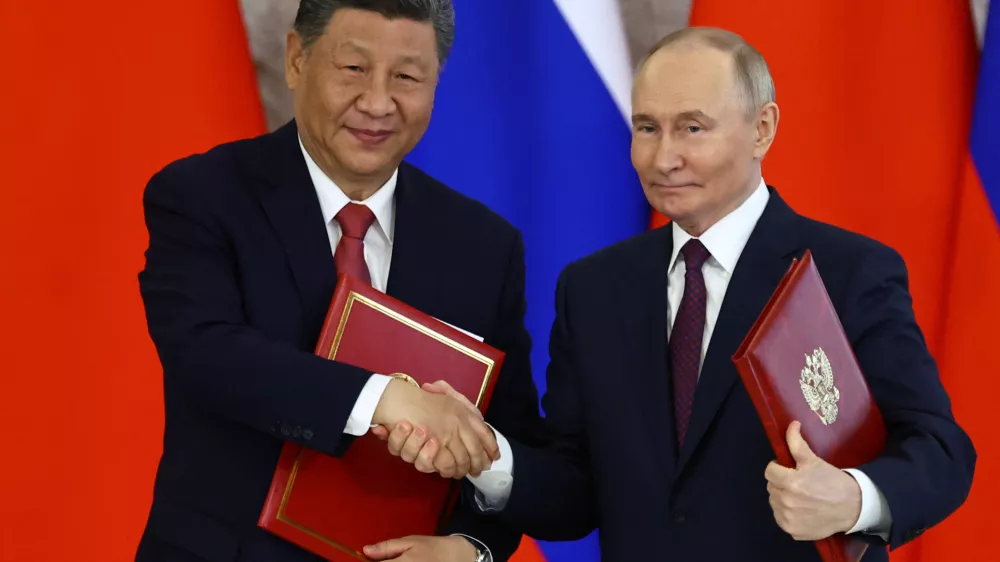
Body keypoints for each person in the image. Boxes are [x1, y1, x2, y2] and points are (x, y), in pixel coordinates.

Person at [374, 27, 976, 561]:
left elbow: (942, 453)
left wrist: (852, 498)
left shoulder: (849, 272)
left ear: (762, 129)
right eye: (647, 128)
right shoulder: (592, 288)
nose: (665, 157)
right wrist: (486, 453)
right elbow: (574, 490)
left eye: (692, 127)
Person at [133, 1, 541, 561]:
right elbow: (205, 352)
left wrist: (471, 551)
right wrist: (384, 398)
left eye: (406, 77)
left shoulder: (484, 245)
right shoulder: (203, 194)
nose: (377, 102)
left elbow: (509, 444)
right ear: (298, 59)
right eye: (353, 68)